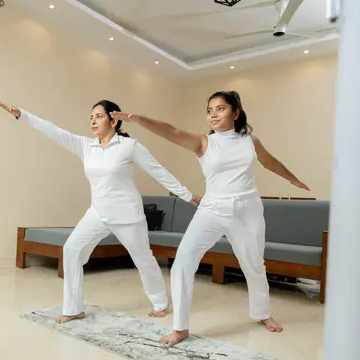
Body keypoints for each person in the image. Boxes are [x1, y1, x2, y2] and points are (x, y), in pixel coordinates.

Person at [110, 90, 309, 346]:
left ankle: (263, 314)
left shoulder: (250, 140)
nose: (213, 114)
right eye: (209, 110)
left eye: (221, 109)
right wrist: (139, 119)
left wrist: (293, 179)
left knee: (254, 265)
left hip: (248, 209)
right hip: (213, 208)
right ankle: (180, 327)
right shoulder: (204, 142)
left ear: (235, 113)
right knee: (183, 261)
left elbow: (269, 162)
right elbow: (171, 131)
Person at [0, 99, 201, 323]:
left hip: (127, 215)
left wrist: (187, 195)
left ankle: (160, 302)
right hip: (98, 212)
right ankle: (74, 308)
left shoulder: (129, 147)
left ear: (114, 120)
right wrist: (21, 114)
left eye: (99, 116)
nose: (93, 121)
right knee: (72, 250)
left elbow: (158, 171)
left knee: (143, 259)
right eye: (91, 117)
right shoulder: (86, 146)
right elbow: (54, 131)